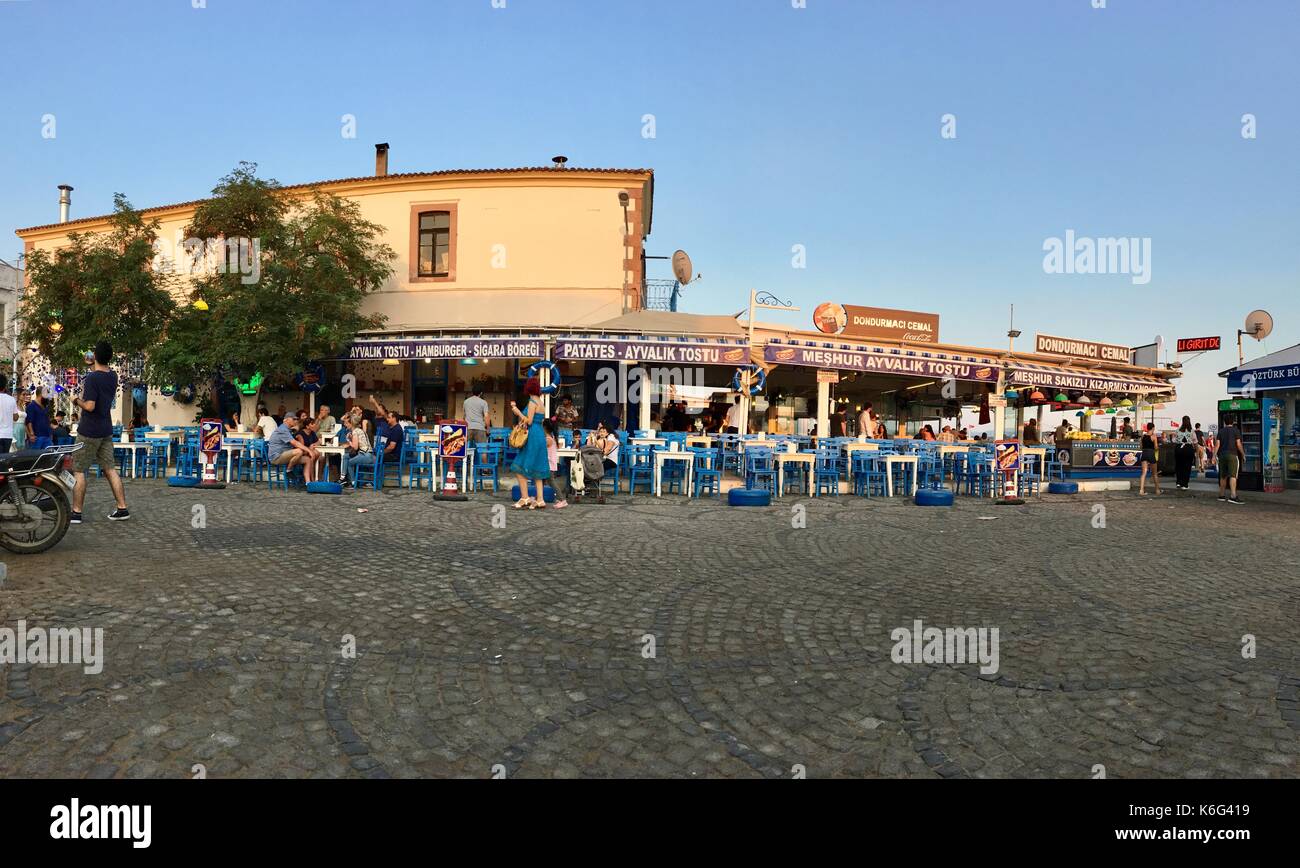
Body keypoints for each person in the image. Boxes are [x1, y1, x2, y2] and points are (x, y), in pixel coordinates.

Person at [70, 341, 129, 522]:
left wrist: (75, 400)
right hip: (105, 429)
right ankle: (122, 508)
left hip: (89, 430)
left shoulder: (93, 378)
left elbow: (89, 406)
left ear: (95, 356)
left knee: (79, 470)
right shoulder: (113, 376)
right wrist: (94, 362)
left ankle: (76, 512)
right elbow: (101, 370)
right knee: (110, 469)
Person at [508, 377, 550, 508]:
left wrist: (517, 412)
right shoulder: (541, 402)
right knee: (538, 468)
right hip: (540, 435)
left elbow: (529, 421)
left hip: (532, 436)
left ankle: (524, 498)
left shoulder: (532, 402)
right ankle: (540, 499)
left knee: (518, 466)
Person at [266, 413, 315, 483]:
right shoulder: (283, 429)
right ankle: (289, 470)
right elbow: (295, 443)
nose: (296, 421)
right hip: (276, 457)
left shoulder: (288, 429)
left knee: (307, 460)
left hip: (284, 454)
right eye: (293, 419)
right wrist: (309, 451)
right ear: (286, 420)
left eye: (296, 419)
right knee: (299, 451)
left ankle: (308, 482)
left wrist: (296, 430)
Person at [1217, 414, 1245, 504]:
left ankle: (1221, 495)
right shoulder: (1236, 431)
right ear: (1233, 421)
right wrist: (1243, 454)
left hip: (1222, 455)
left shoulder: (1220, 431)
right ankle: (1233, 496)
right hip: (1233, 455)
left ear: (1224, 422)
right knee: (1233, 476)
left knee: (1223, 476)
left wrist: (1214, 456)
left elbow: (1217, 445)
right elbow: (1238, 444)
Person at [339, 415, 375, 487]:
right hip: (368, 454)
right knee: (345, 456)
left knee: (349, 463)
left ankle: (353, 482)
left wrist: (349, 440)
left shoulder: (355, 432)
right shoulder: (359, 430)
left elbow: (355, 447)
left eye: (347, 423)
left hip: (366, 455)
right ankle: (342, 477)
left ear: (351, 424)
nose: (345, 425)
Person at [543, 417, 569, 510]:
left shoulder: (548, 439)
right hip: (548, 464)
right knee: (541, 480)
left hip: (549, 464)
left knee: (551, 482)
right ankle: (539, 498)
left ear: (545, 427)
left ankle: (562, 500)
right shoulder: (551, 437)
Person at [1170, 415, 1197, 490]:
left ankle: (1178, 482)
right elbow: (1195, 442)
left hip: (1179, 448)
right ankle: (1185, 484)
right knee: (1187, 467)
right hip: (1188, 449)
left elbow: (1173, 440)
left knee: (1179, 466)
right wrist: (1196, 452)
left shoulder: (1178, 430)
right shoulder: (1192, 431)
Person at [1138, 422, 1161, 496]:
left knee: (1144, 473)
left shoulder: (1143, 436)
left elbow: (1141, 447)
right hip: (1151, 454)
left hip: (1144, 453)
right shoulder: (1154, 436)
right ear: (1153, 428)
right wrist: (1158, 448)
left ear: (1147, 428)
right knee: (1154, 474)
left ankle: (1141, 490)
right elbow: (1156, 447)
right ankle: (1157, 490)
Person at [0, 374, 18, 454]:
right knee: (4, 460)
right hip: (7, 435)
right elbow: (16, 417)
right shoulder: (11, 400)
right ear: (5, 386)